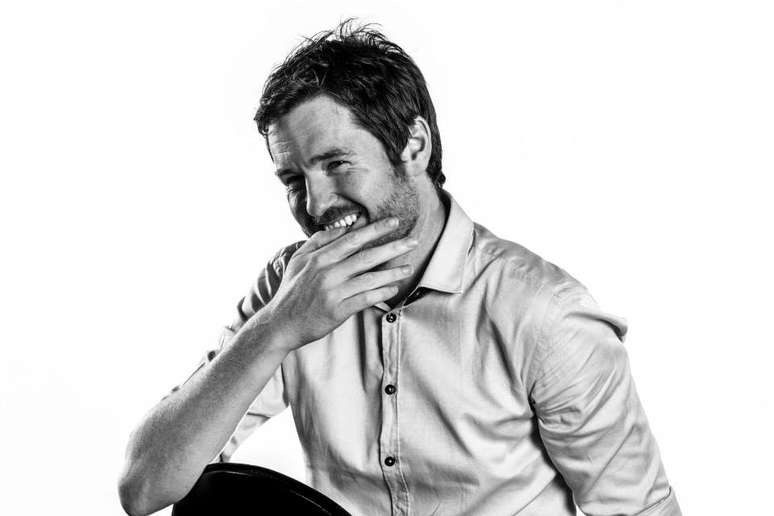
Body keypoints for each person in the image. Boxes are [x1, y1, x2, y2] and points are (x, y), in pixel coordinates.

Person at [119, 21, 682, 516]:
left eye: (336, 163)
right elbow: (145, 489)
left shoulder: (543, 314)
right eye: (293, 180)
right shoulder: (290, 290)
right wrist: (277, 328)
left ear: (414, 145)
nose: (314, 205)